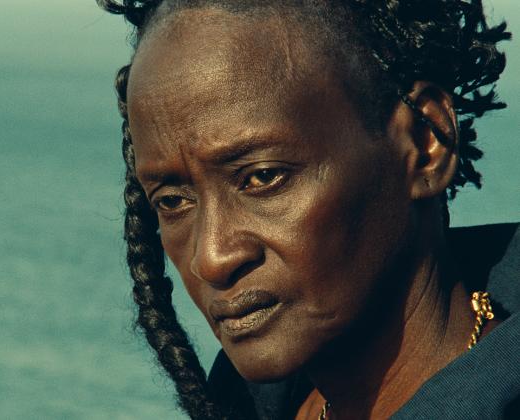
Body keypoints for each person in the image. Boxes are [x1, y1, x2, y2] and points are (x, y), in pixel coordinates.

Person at [98, 0, 519, 418]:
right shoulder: (248, 401)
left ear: (424, 144)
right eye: (172, 202)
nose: (211, 258)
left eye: (263, 177)